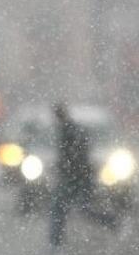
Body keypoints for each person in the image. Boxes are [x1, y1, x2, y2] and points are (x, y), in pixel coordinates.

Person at [48, 103, 115, 247]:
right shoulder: (69, 130)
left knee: (63, 209)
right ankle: (110, 221)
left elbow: (75, 156)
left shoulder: (69, 131)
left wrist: (65, 168)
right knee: (73, 209)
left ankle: (55, 243)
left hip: (75, 178)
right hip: (77, 177)